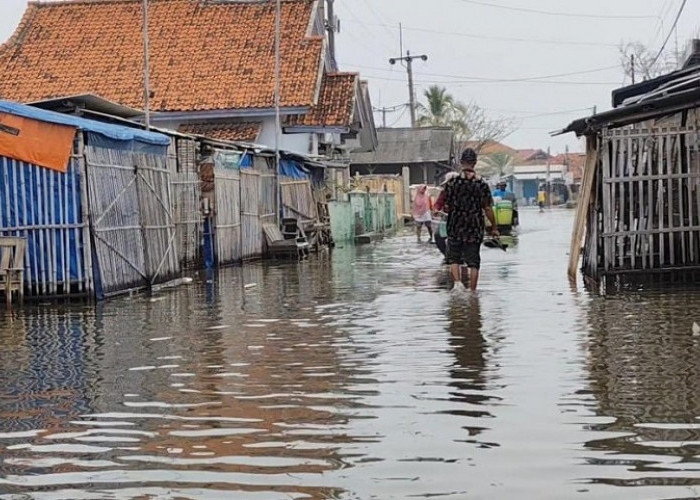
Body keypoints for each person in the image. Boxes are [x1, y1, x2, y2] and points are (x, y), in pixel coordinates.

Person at [442, 148, 499, 292]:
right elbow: (487, 208)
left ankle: (457, 285)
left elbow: (446, 206)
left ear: (461, 162)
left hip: (455, 224)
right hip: (474, 225)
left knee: (454, 258)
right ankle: (473, 293)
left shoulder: (452, 183)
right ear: (475, 163)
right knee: (473, 261)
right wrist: (494, 227)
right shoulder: (482, 184)